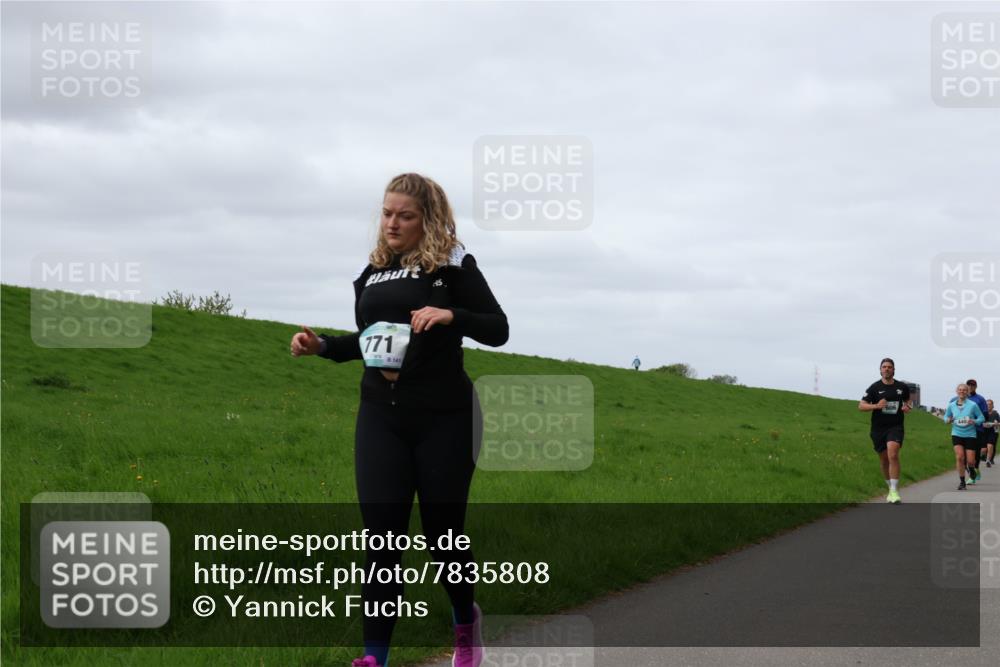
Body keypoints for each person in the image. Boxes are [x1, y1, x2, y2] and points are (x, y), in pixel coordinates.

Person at [290, 173, 508, 667]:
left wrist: (452, 315)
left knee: (442, 536)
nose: (391, 223)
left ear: (426, 219)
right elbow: (367, 344)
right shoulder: (371, 272)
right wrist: (322, 346)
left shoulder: (453, 264)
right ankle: (374, 657)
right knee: (382, 537)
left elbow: (499, 329)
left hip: (445, 418)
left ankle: (465, 623)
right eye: (387, 213)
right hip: (381, 418)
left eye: (404, 215)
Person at [858, 358, 912, 503]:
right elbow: (861, 406)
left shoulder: (902, 387)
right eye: (884, 367)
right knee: (884, 460)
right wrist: (876, 406)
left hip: (896, 426)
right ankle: (890, 488)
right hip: (878, 429)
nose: (887, 369)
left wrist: (908, 407)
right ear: (880, 370)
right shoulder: (874, 388)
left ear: (894, 370)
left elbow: (908, 401)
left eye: (889, 367)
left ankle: (894, 491)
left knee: (893, 454)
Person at [943, 383, 986, 490]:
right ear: (957, 391)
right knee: (960, 457)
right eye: (960, 390)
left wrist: (974, 421)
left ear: (967, 392)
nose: (962, 391)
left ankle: (971, 469)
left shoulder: (972, 405)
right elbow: (946, 417)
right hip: (956, 433)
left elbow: (981, 418)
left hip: (970, 434)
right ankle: (962, 482)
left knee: (971, 461)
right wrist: (948, 420)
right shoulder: (951, 405)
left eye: (964, 390)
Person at [985, 399, 999, 467]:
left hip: (993, 432)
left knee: (991, 445)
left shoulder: (995, 414)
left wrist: (996, 423)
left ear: (992, 406)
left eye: (990, 404)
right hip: (984, 432)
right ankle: (986, 457)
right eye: (987, 404)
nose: (988, 406)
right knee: (984, 448)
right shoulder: (983, 413)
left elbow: (999, 423)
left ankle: (988, 460)